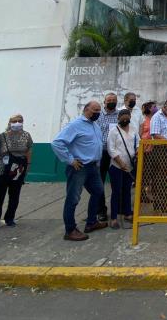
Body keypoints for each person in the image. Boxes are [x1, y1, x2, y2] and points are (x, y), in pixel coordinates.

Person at [51, 101, 107, 241]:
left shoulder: (95, 125)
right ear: (86, 109)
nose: (98, 113)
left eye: (99, 110)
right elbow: (57, 143)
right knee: (73, 198)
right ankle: (70, 230)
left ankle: (91, 222)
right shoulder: (75, 125)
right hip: (79, 168)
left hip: (93, 167)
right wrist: (70, 160)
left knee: (98, 192)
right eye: (95, 110)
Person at [0, 114, 33, 230]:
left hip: (18, 170)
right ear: (9, 123)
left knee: (14, 195)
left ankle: (10, 218)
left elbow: (28, 150)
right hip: (2, 170)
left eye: (20, 121)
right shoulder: (1, 137)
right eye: (14, 121)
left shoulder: (26, 135)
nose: (17, 123)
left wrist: (28, 164)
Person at [107, 109, 139, 229]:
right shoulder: (113, 131)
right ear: (118, 118)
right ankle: (114, 218)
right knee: (116, 192)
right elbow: (111, 149)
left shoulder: (133, 129)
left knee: (127, 191)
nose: (125, 119)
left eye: (127, 117)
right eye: (122, 117)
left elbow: (138, 143)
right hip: (116, 167)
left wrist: (137, 151)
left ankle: (127, 213)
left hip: (129, 167)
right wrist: (120, 163)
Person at [96, 93, 120, 222]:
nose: (111, 102)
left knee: (117, 182)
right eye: (109, 100)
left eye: (114, 100)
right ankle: (101, 211)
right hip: (102, 153)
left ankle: (117, 209)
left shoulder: (120, 115)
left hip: (116, 153)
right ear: (104, 102)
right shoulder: (98, 116)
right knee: (99, 182)